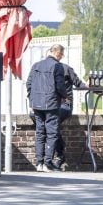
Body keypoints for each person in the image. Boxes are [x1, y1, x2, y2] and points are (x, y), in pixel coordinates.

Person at [26, 43, 69, 172]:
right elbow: (60, 85)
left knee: (40, 133)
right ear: (56, 52)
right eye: (61, 54)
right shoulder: (57, 66)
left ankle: (39, 163)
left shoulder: (36, 65)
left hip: (37, 104)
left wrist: (32, 100)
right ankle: (47, 163)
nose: (61, 57)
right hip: (51, 104)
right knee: (51, 133)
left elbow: (29, 84)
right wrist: (65, 96)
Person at [52, 58, 86, 170]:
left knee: (52, 122)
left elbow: (78, 83)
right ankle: (52, 156)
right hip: (50, 105)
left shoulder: (66, 69)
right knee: (47, 123)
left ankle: (59, 155)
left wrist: (88, 86)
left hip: (64, 105)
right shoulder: (45, 70)